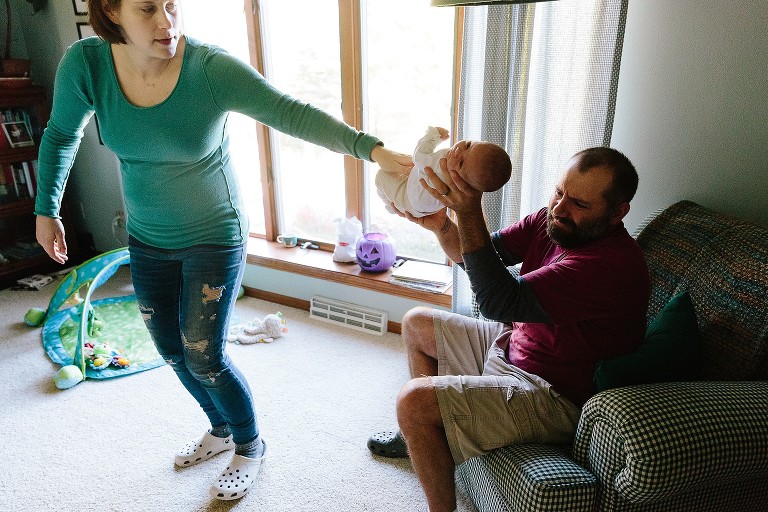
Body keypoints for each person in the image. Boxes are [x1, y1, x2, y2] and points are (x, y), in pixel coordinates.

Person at [34, 0, 412, 502]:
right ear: (111, 10)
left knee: (204, 355)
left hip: (215, 235)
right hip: (148, 238)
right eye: (148, 9)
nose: (167, 22)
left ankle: (250, 444)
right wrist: (47, 208)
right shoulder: (86, 64)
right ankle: (220, 429)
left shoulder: (209, 69)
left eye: (173, 5)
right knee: (172, 351)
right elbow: (61, 134)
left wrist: (374, 150)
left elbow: (291, 113)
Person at [368, 147, 650, 512]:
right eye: (559, 192)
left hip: (553, 394)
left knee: (414, 402)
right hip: (518, 347)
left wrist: (469, 209)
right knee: (417, 323)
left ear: (617, 213)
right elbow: (478, 254)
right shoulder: (554, 222)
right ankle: (419, 441)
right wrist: (442, 224)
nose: (561, 208)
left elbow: (497, 302)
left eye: (579, 204)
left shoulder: (610, 265)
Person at [375, 126, 511, 217]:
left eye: (461, 163)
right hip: (427, 210)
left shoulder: (442, 164)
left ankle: (389, 204)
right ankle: (394, 203)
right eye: (469, 145)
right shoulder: (462, 189)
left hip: (407, 199)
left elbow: (419, 156)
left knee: (381, 176)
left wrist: (433, 135)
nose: (458, 151)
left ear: (464, 180)